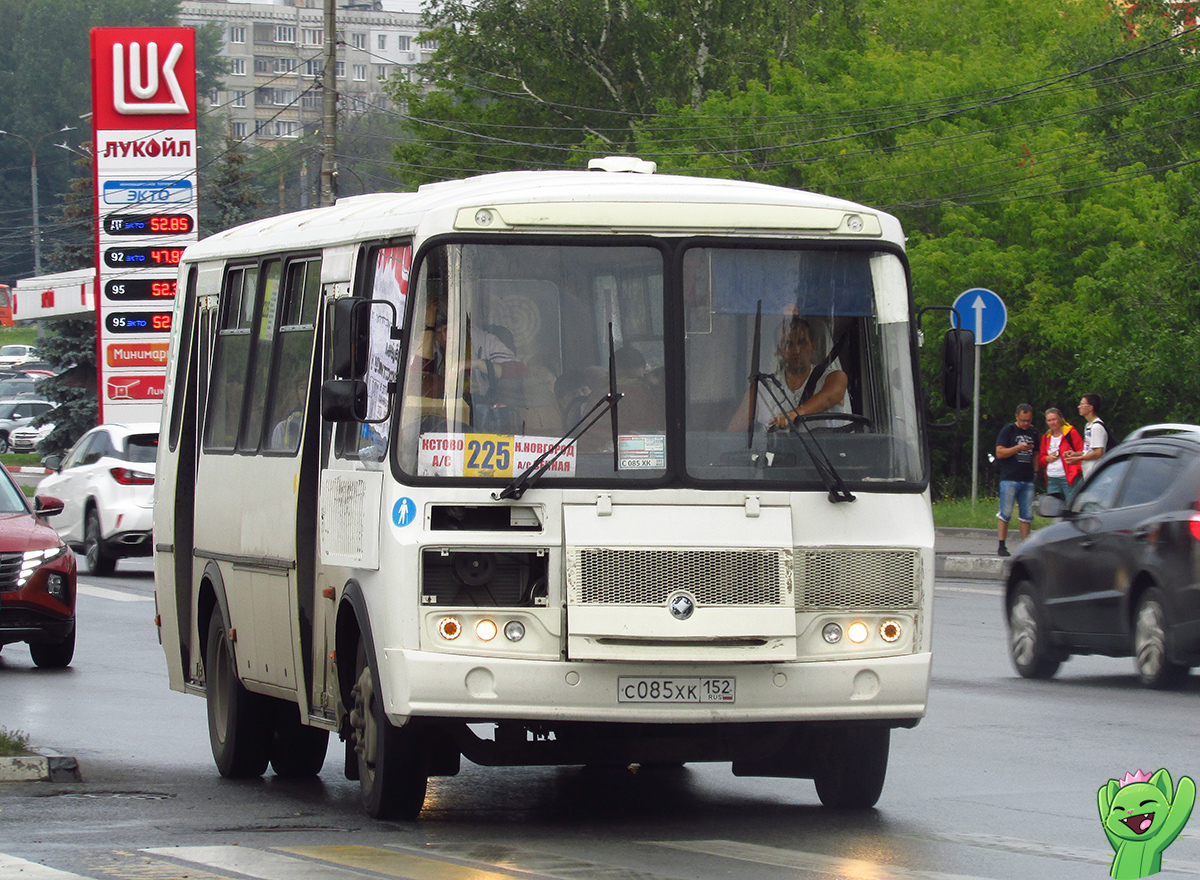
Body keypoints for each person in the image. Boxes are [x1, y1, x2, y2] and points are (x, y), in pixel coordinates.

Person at [726, 315, 848, 431]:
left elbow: (830, 396)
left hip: (824, 452)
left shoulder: (833, 377)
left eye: (801, 342)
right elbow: (733, 430)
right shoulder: (763, 389)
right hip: (777, 453)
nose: (796, 350)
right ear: (778, 351)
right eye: (788, 344)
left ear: (813, 346)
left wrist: (795, 414)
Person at [995, 404, 1038, 557]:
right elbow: (999, 452)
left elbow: (1036, 453)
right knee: (1005, 513)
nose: (1026, 423)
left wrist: (1035, 470)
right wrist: (1018, 448)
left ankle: (1025, 547)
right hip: (1009, 477)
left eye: (1028, 420)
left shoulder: (1033, 431)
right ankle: (1001, 545)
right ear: (1017, 417)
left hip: (1027, 478)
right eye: (1023, 420)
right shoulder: (1008, 430)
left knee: (1026, 515)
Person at [1035, 407, 1082, 499]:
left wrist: (1077, 470)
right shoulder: (1046, 437)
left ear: (1060, 419)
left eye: (1054, 419)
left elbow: (1082, 451)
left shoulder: (1071, 433)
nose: (1052, 423)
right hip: (1052, 477)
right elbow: (1041, 459)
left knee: (1071, 505)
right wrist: (1047, 459)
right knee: (1054, 507)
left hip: (1068, 476)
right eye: (1049, 420)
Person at [1065, 392, 1107, 479]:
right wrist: (1075, 454)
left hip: (1095, 472)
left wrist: (1079, 459)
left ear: (1091, 408)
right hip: (1088, 471)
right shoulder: (1088, 425)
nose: (1079, 407)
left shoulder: (1096, 427)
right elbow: (1089, 450)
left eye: (1082, 404)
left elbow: (1099, 453)